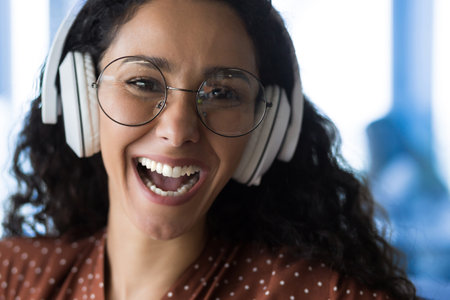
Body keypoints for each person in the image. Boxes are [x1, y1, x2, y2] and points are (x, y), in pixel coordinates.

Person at [0, 0, 418, 299]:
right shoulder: (10, 276)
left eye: (222, 92)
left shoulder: (329, 295)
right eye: (142, 82)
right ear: (80, 101)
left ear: (266, 129)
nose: (179, 129)